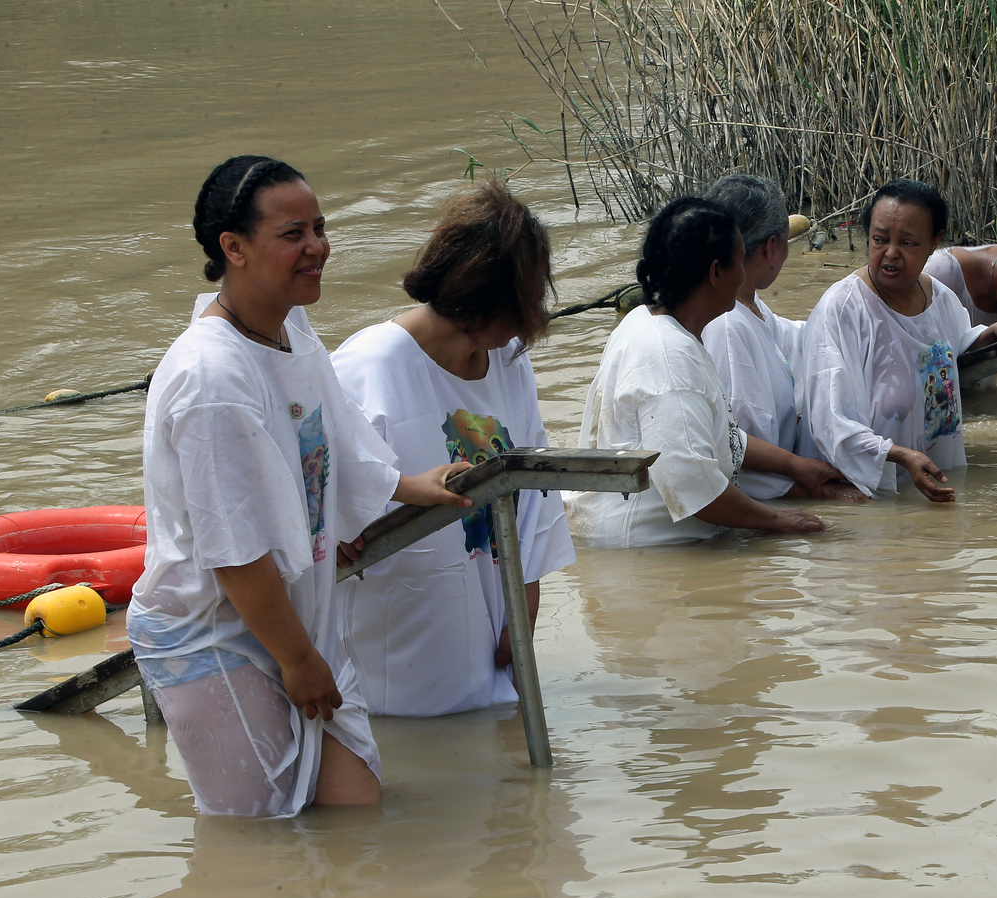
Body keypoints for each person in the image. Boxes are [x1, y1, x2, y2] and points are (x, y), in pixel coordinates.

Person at [127, 154, 473, 817]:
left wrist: (405, 486)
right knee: (258, 837)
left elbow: (329, 442)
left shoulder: (290, 328)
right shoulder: (212, 380)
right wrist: (297, 658)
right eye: (293, 234)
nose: (317, 247)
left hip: (295, 616)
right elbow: (233, 549)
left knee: (353, 806)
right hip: (216, 633)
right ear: (234, 248)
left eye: (319, 227)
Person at [330, 181, 575, 717]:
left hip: (492, 624)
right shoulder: (368, 368)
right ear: (491, 300)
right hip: (400, 645)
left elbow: (534, 490)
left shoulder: (507, 359)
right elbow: (317, 504)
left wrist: (525, 601)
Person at [566, 197, 843, 547]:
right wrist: (779, 521)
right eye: (739, 261)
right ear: (715, 273)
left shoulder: (651, 321)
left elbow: (717, 438)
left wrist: (795, 466)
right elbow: (693, 487)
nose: (745, 273)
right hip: (645, 552)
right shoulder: (669, 358)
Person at [798, 179, 997, 502]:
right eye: (879, 240)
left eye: (907, 243)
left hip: (932, 487)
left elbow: (951, 348)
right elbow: (828, 420)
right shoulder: (842, 309)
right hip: (867, 497)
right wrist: (897, 455)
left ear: (935, 242)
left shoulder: (940, 298)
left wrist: (992, 333)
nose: (890, 253)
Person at [698, 173, 862, 503]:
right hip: (762, 490)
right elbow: (740, 455)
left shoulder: (746, 301)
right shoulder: (728, 325)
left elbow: (798, 337)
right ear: (772, 247)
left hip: (780, 475)